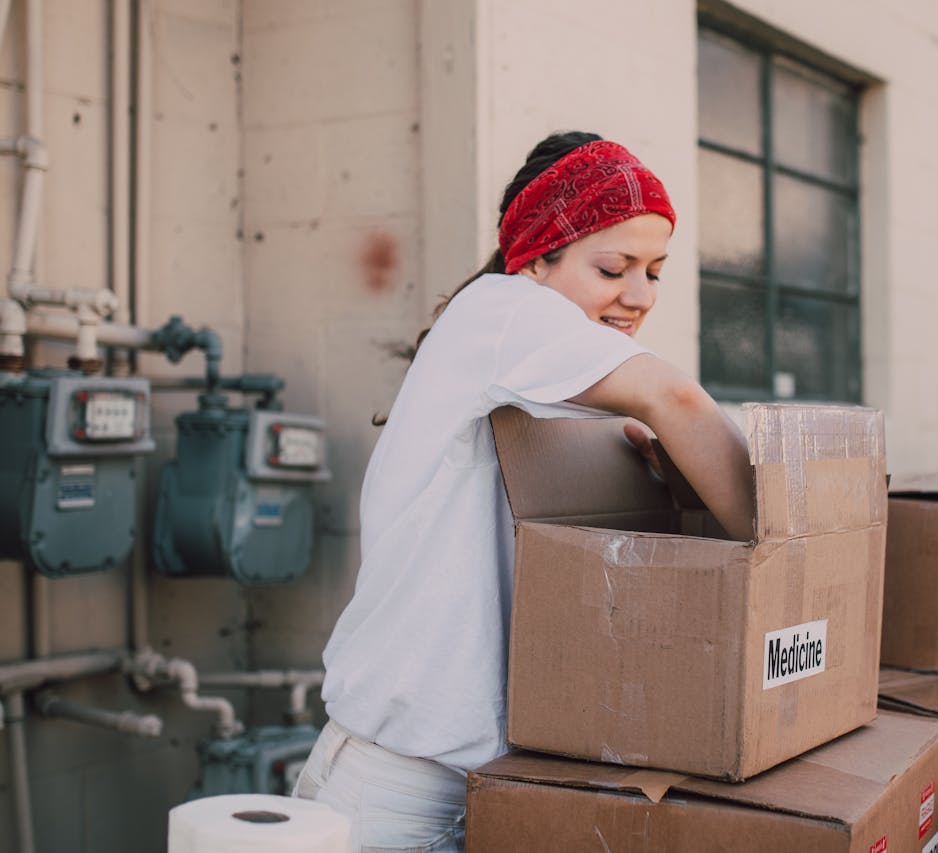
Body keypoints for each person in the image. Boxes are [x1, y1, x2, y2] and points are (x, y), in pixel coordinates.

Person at [292, 131, 754, 852]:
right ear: (537, 256)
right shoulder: (502, 309)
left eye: (655, 271)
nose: (639, 295)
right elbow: (681, 400)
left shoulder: (560, 384)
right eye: (614, 266)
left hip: (481, 786)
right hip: (398, 793)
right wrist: (796, 560)